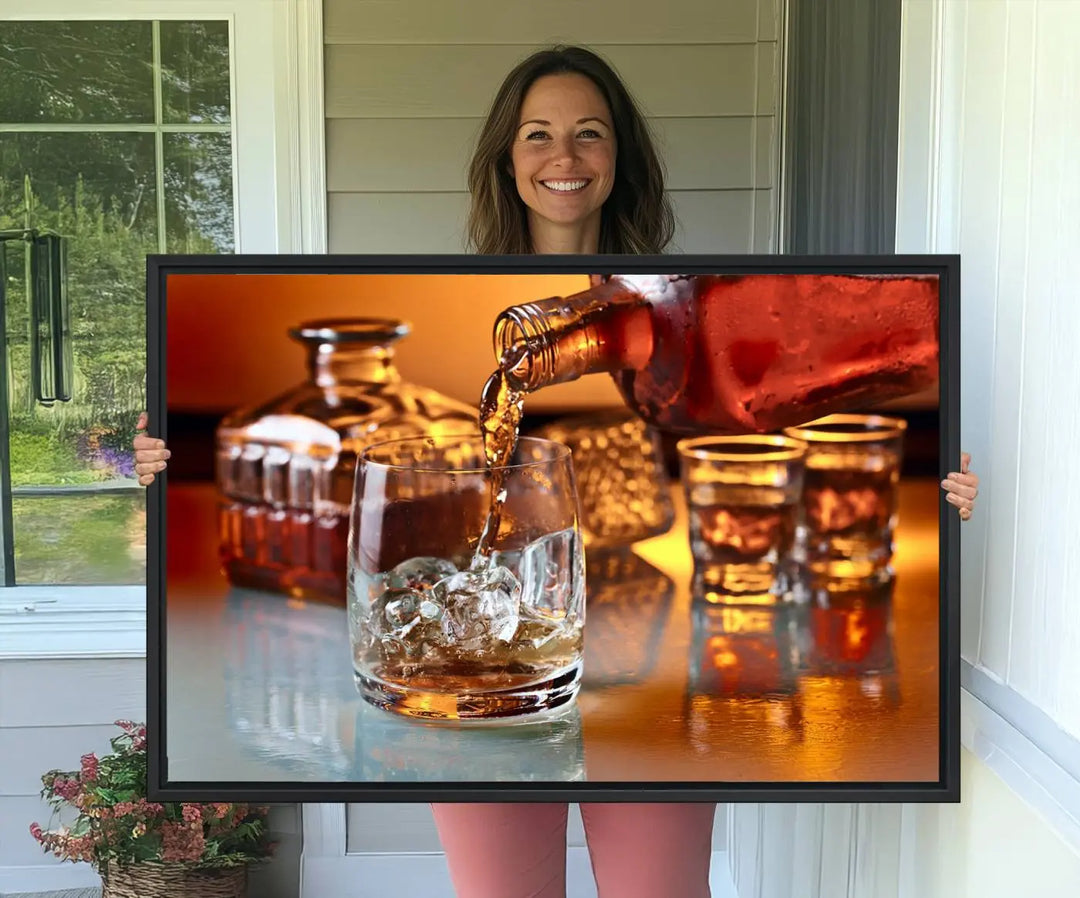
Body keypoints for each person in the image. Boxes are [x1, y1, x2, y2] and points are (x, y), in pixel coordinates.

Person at [133, 45, 979, 897]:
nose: (564, 158)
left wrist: (944, 480)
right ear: (508, 158)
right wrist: (162, 461)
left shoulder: (705, 297)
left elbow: (824, 396)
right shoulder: (457, 296)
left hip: (650, 666)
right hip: (485, 683)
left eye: (589, 134)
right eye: (537, 135)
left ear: (620, 160)